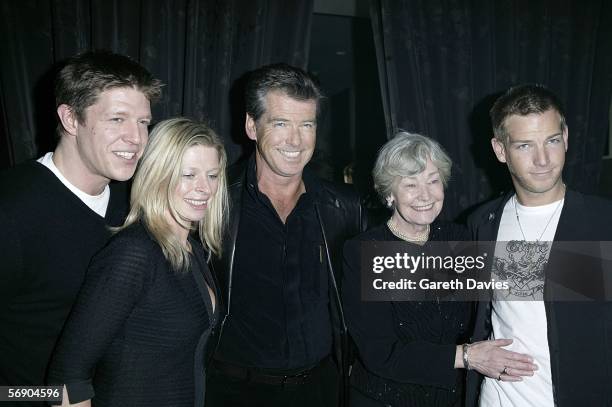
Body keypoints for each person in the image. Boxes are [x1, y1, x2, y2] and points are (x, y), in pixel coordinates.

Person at [0, 50, 161, 398]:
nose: (136, 138)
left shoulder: (134, 201)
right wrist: (45, 398)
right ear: (71, 119)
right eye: (117, 119)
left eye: (144, 122)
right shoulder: (11, 209)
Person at [205, 63, 365, 407]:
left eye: (306, 125)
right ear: (251, 126)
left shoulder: (344, 207)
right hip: (232, 392)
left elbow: (373, 295)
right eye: (280, 123)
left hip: (320, 390)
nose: (296, 140)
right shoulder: (212, 201)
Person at [342, 132, 536, 407]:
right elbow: (380, 352)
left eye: (433, 181)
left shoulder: (461, 239)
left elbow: (527, 281)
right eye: (410, 184)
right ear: (388, 193)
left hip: (454, 399)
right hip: (386, 399)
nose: (426, 195)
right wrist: (467, 356)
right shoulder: (365, 251)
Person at [47, 118, 226, 407]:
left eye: (213, 175)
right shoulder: (134, 253)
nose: (204, 188)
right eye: (188, 174)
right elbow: (67, 377)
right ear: (158, 175)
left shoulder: (192, 249)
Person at [466, 84, 612, 406]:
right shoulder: (482, 223)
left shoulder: (603, 222)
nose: (543, 159)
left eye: (552, 141)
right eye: (524, 146)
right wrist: (469, 355)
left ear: (566, 138)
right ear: (500, 150)